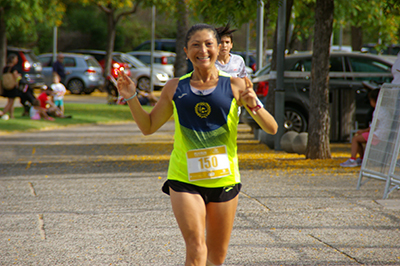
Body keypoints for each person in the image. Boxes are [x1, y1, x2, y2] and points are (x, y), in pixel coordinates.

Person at [117, 23, 278, 265]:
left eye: (208, 44)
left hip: (224, 179)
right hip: (184, 179)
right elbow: (148, 127)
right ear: (186, 51)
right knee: (196, 248)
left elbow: (272, 128)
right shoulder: (174, 87)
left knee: (216, 257)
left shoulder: (236, 85)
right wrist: (131, 96)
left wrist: (254, 104)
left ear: (219, 49)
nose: (202, 50)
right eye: (195, 45)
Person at [340, 89, 387, 167]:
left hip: (378, 135)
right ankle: (361, 158)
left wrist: (362, 131)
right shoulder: (384, 110)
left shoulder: (378, 111)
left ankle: (353, 159)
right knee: (358, 139)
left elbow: (373, 127)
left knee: (355, 139)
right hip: (382, 133)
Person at [1, 53, 22, 119]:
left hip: (6, 85)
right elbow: (15, 76)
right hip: (12, 86)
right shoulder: (13, 68)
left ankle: (12, 115)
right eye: (16, 59)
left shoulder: (5, 68)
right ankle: (3, 113)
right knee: (11, 101)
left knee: (10, 100)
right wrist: (19, 76)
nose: (17, 60)